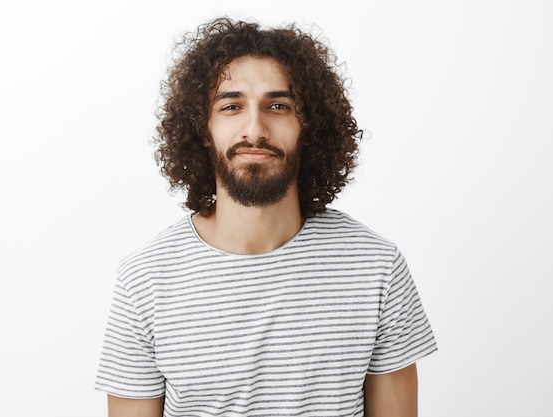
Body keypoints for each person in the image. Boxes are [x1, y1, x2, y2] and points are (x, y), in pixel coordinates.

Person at [95, 17, 437, 417]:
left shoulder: (376, 268)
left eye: (278, 106)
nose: (254, 129)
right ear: (203, 128)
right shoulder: (145, 280)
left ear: (307, 127)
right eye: (231, 106)